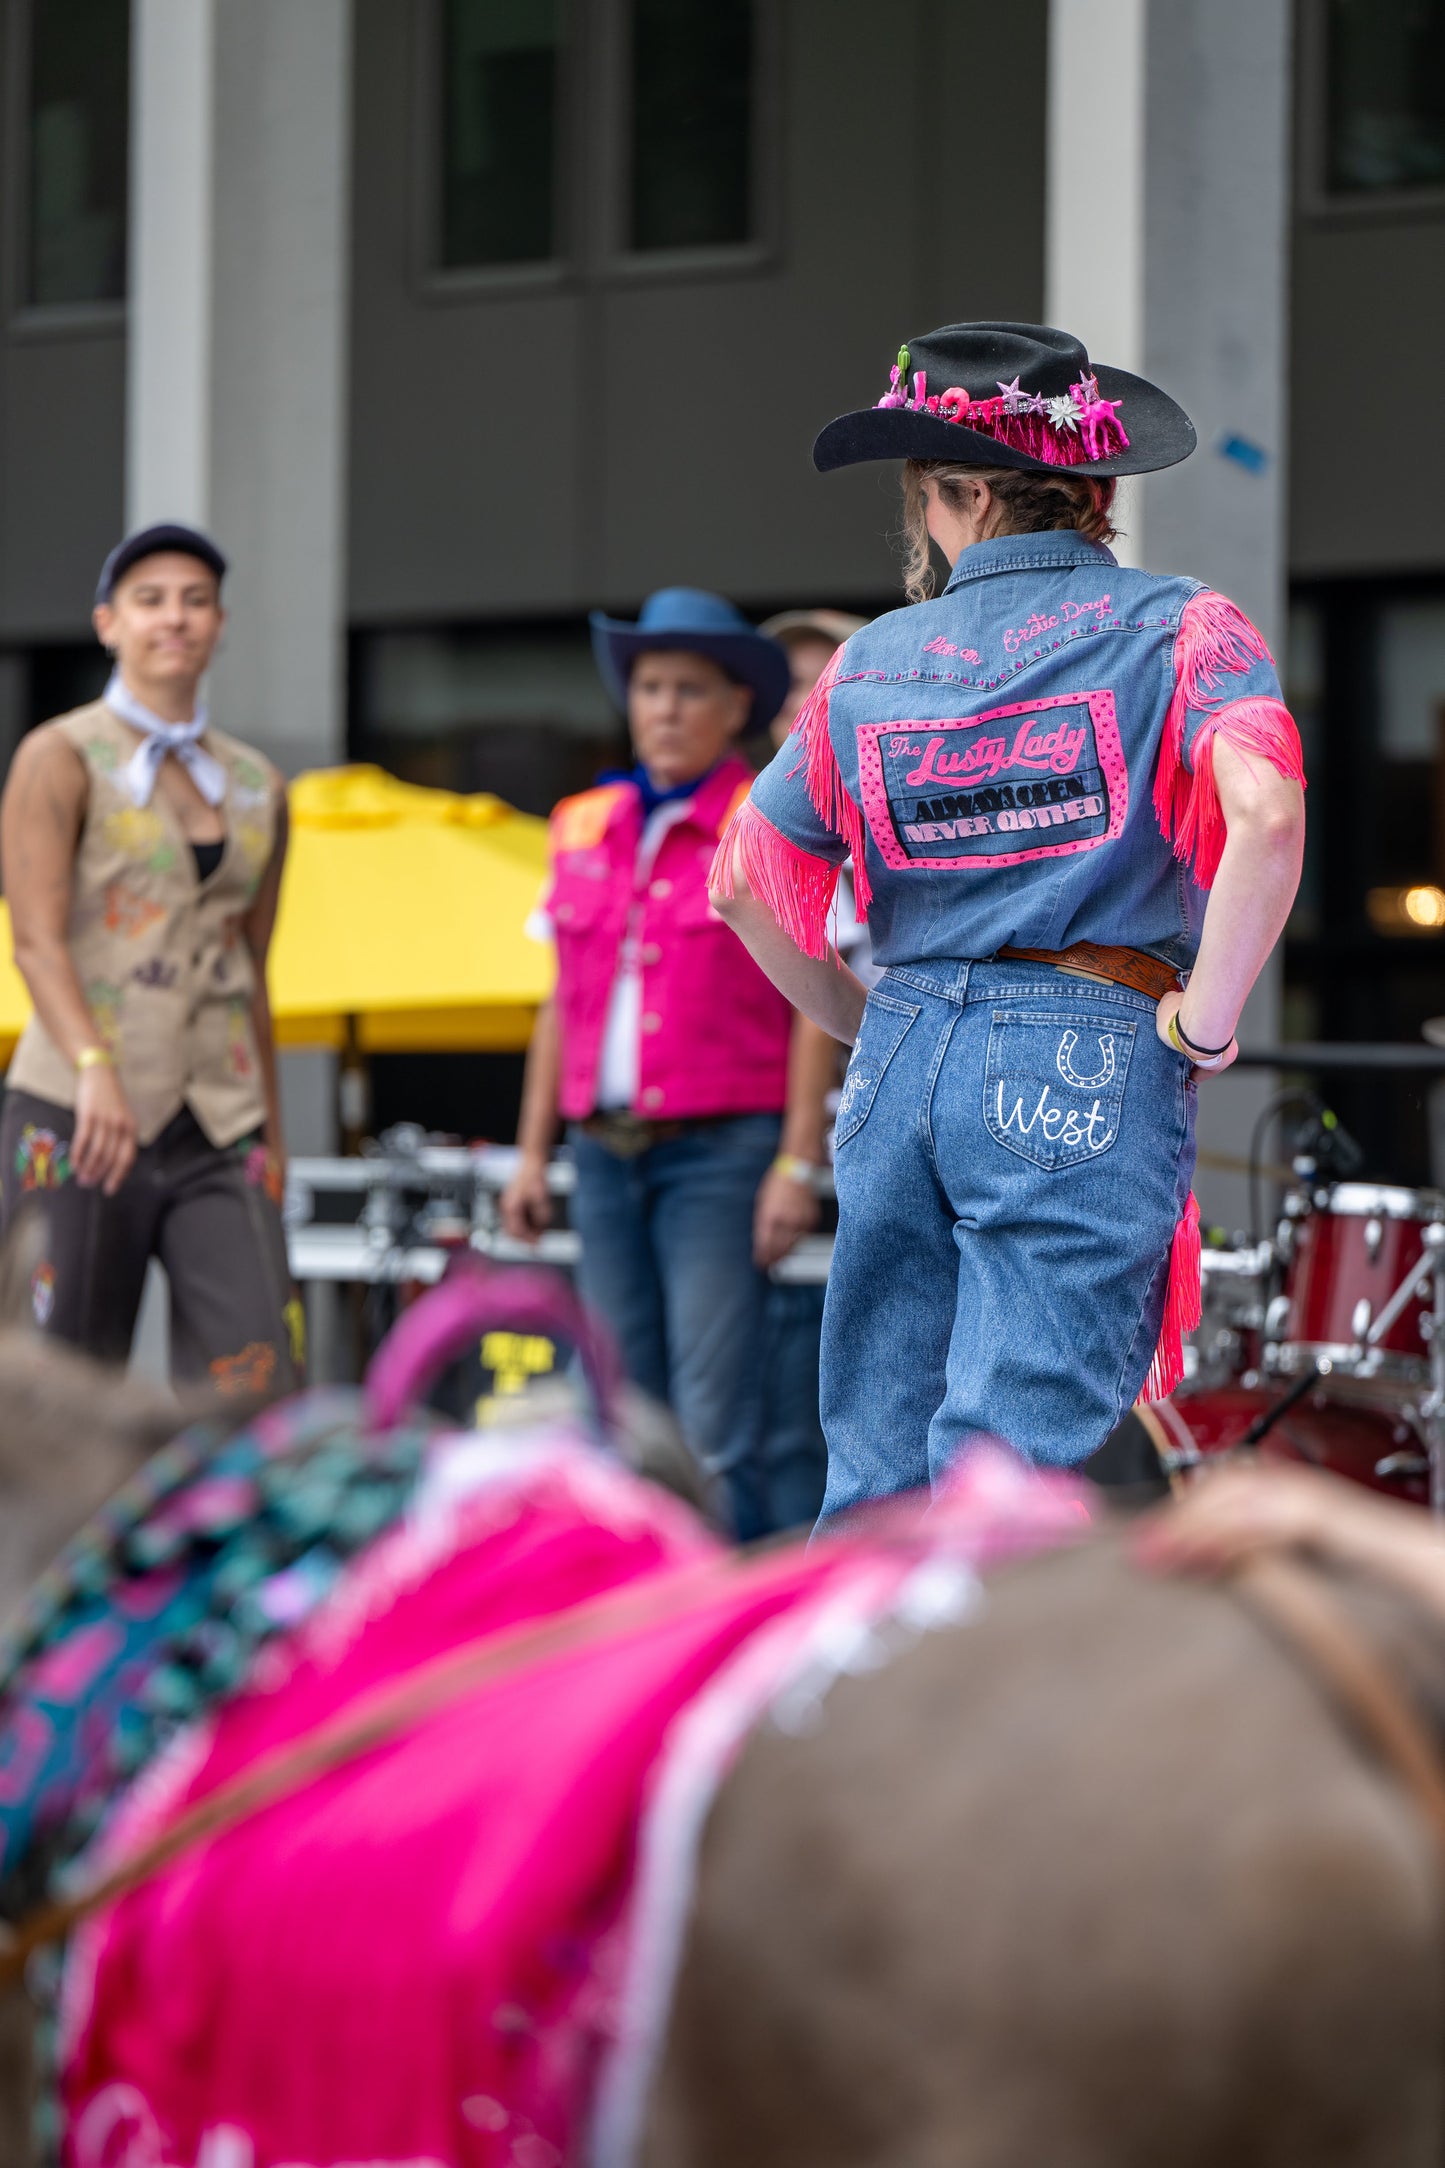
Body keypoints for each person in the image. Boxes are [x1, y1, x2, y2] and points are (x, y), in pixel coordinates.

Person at [712, 321, 1307, 1516]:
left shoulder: (867, 660)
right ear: (1089, 486)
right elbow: (1267, 810)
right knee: (1009, 1474)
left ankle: (863, 1696)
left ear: (969, 493)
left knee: (875, 1467)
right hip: (1086, 1048)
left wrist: (862, 1018)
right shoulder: (1181, 625)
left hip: (903, 1051)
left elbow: (740, 879)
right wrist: (1202, 1022)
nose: (922, 523)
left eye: (924, 498)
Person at [499, 588, 832, 1539]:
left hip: (722, 1153)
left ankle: (705, 1620)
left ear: (737, 710)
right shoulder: (581, 824)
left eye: (691, 689)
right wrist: (532, 1153)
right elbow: (559, 1002)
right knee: (614, 1405)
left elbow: (813, 1007)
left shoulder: (766, 823)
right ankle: (625, 1598)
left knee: (713, 1414)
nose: (666, 708)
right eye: (650, 687)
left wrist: (795, 1162)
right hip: (601, 1153)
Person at [0, 523, 300, 1395]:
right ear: (108, 624)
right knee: (57, 1378)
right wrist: (93, 1065)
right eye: (151, 599)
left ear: (219, 623)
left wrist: (272, 1136)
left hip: (218, 1116)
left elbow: (253, 966)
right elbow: (33, 938)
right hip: (78, 1109)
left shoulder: (256, 784)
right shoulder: (61, 756)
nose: (176, 618)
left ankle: (223, 1534)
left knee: (256, 1373)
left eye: (196, 600)